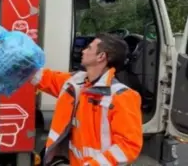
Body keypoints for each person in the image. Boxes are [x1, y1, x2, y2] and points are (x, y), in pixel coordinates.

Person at [30, 33, 143, 165]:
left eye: (89, 48)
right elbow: (45, 78)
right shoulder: (76, 83)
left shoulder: (122, 96)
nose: (83, 51)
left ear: (101, 56)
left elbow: (128, 146)